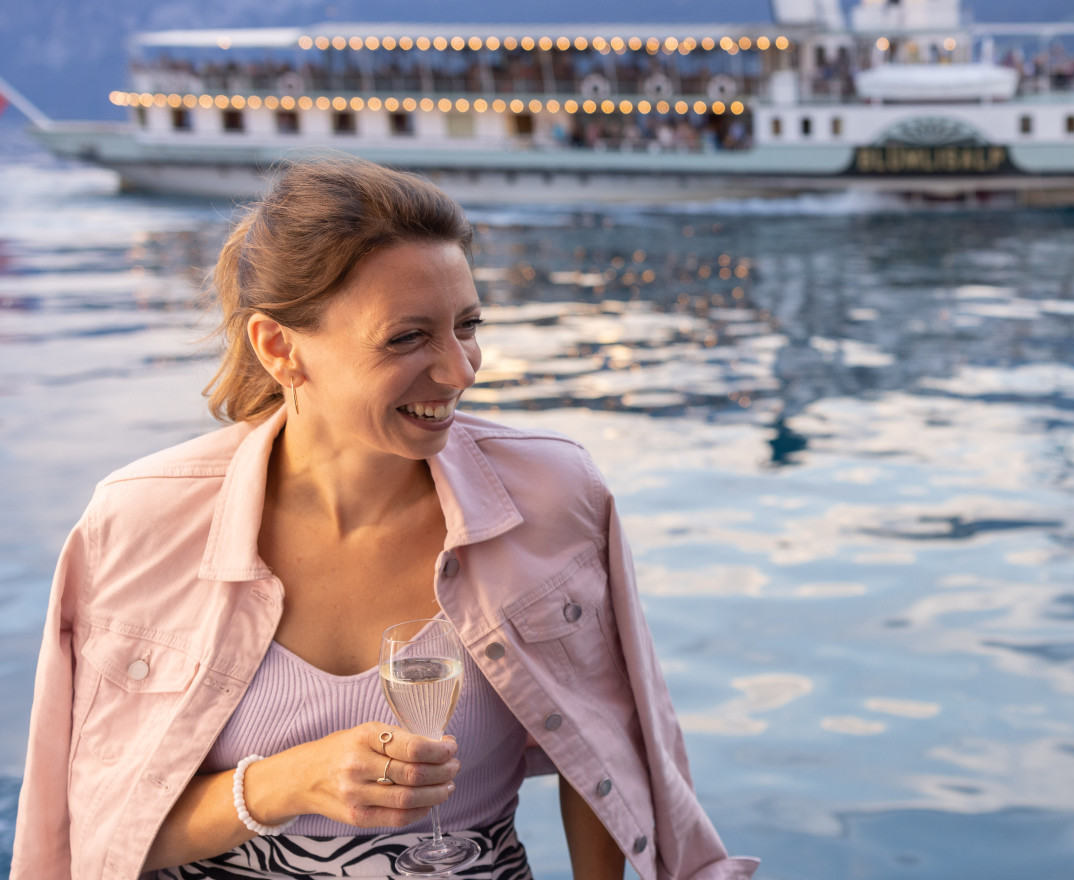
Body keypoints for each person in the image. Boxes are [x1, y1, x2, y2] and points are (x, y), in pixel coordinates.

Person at [12, 156, 758, 880]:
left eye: (467, 325)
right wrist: (281, 786)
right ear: (278, 348)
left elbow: (609, 748)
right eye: (408, 337)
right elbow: (91, 837)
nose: (460, 370)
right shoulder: (137, 520)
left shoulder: (554, 494)